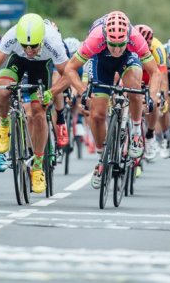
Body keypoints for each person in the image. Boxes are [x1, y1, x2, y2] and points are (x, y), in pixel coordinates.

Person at [54, 11, 162, 189]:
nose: (117, 50)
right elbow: (70, 70)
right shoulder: (95, 39)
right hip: (101, 61)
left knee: (134, 89)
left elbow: (155, 72)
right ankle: (101, 158)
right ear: (106, 37)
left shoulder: (135, 38)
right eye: (113, 45)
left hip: (129, 60)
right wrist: (83, 92)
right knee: (97, 114)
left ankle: (135, 134)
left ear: (127, 37)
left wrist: (151, 96)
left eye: (121, 45)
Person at [0, 13, 68, 194]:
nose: (29, 50)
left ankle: (37, 166)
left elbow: (69, 74)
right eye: (25, 46)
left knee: (38, 112)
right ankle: (4, 124)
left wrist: (51, 92)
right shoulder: (12, 35)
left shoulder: (53, 41)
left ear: (42, 41)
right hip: (17, 62)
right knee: (4, 90)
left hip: (42, 67)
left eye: (34, 46)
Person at [134, 24, 168, 163]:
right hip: (133, 71)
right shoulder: (128, 43)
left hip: (151, 74)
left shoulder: (158, 48)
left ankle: (149, 135)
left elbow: (162, 77)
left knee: (154, 102)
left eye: (147, 45)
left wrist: (163, 97)